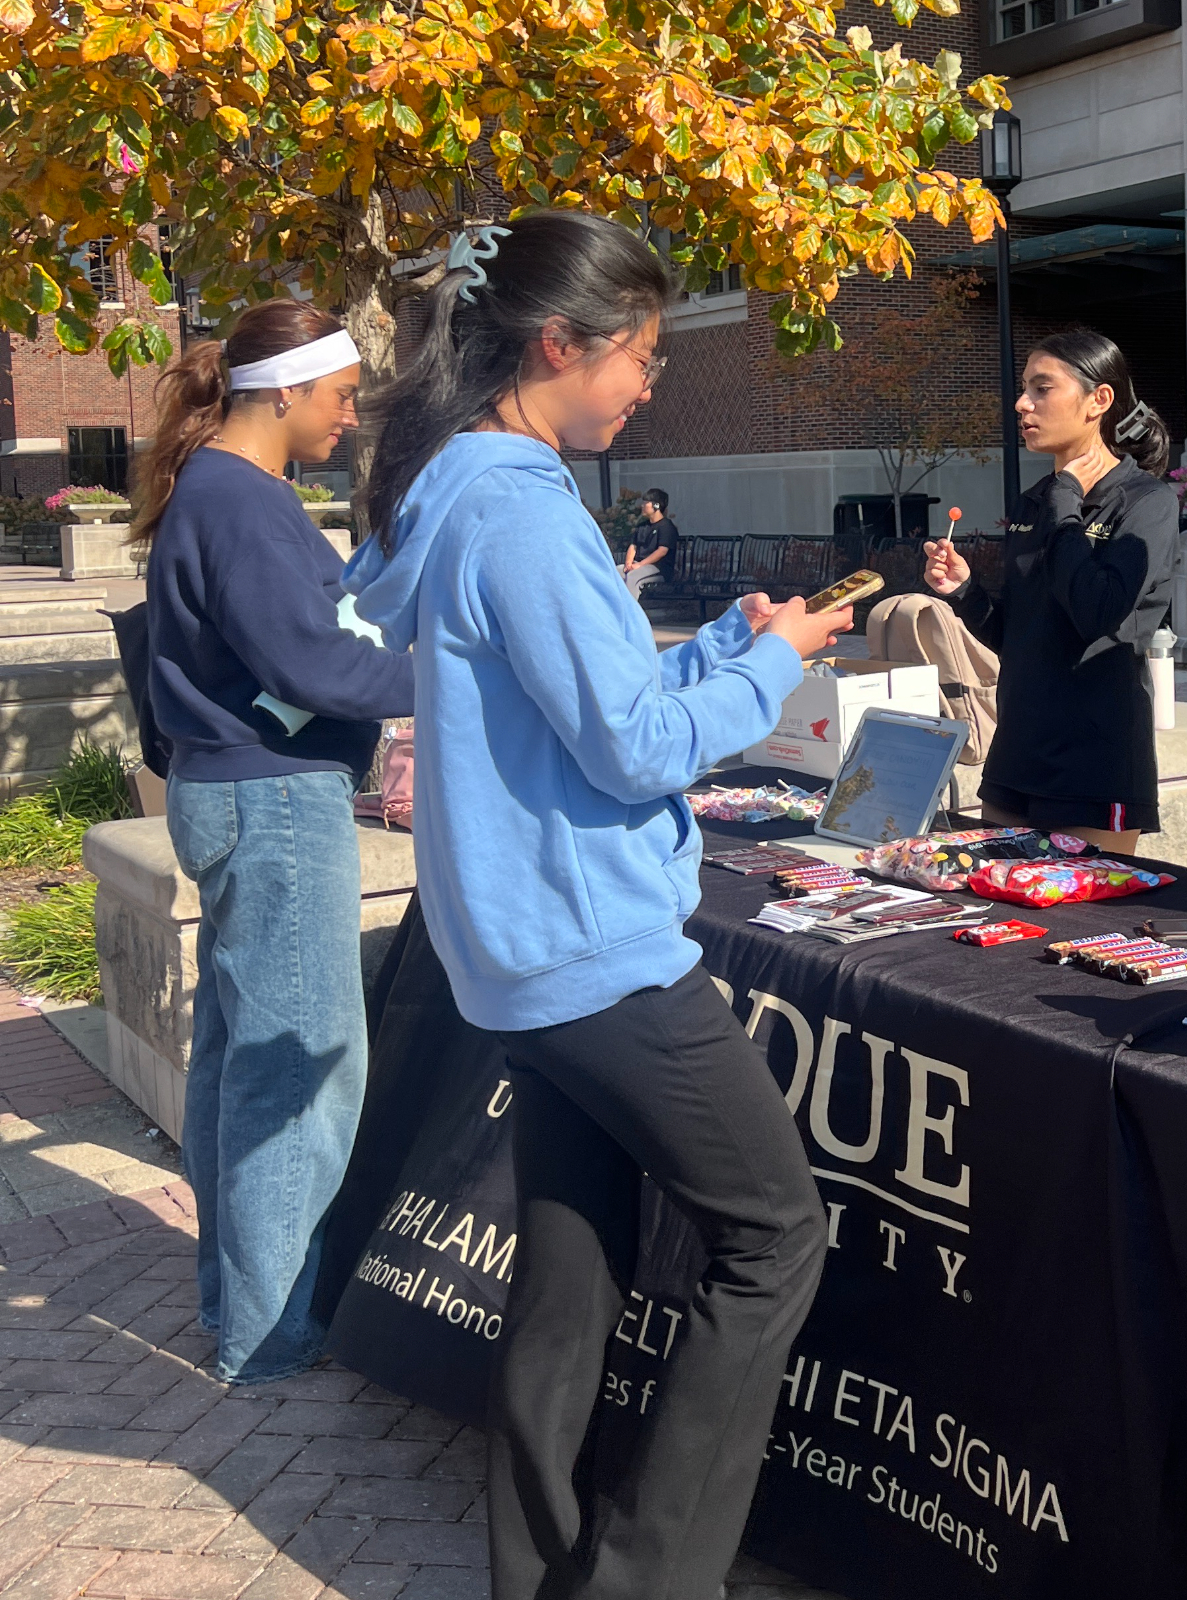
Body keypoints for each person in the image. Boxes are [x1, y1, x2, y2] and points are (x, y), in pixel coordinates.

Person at [347, 210, 844, 1600]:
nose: (649, 384)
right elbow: (628, 752)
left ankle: (544, 1568)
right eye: (641, 356)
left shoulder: (457, 493)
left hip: (522, 953)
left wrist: (724, 656)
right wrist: (778, 672)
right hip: (594, 953)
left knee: (572, 1269)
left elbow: (591, 718)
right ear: (558, 345)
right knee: (773, 1236)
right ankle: (641, 1578)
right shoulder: (519, 510)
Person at [135, 300, 416, 1384]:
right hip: (275, 803)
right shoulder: (245, 502)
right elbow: (315, 664)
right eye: (343, 396)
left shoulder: (211, 488)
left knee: (237, 1060)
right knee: (298, 1069)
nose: (351, 417)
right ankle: (272, 1329)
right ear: (287, 390)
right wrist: (453, 669)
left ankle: (235, 1303)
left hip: (228, 788)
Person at [920, 328, 1178, 854]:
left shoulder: (1145, 501)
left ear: (1098, 400)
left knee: (1079, 926)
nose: (1022, 403)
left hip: (1094, 760)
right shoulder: (1035, 500)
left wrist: (1067, 499)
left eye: (1042, 389)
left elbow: (1096, 613)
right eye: (1024, 388)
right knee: (996, 911)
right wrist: (966, 591)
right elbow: (1017, 635)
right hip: (1017, 753)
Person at [624, 486, 679, 598]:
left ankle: (631, 613)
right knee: (615, 572)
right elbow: (633, 546)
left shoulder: (667, 527)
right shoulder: (642, 526)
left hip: (658, 568)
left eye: (646, 503)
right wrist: (628, 564)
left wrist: (640, 564)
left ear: (656, 505)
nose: (642, 506)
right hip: (638, 564)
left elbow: (662, 551)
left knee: (633, 577)